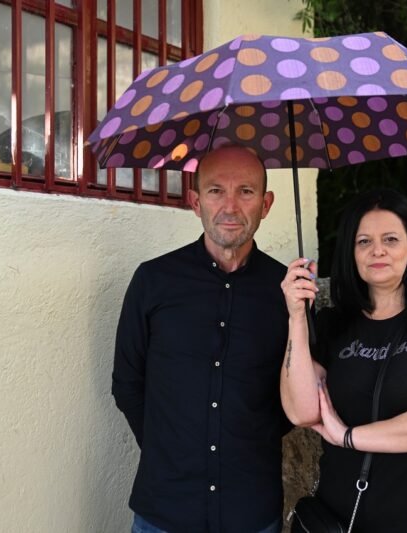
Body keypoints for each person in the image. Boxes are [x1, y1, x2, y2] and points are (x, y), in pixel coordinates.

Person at [113, 145, 290, 533]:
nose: (230, 206)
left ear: (266, 204)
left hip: (252, 511)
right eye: (215, 191)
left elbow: (297, 397)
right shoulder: (153, 281)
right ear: (195, 202)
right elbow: (127, 384)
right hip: (164, 509)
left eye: (246, 191)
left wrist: (247, 437)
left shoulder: (288, 292)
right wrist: (168, 448)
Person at [280, 188, 407, 532]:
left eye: (390, 239)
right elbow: (301, 411)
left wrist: (349, 436)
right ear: (352, 251)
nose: (378, 250)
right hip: (340, 520)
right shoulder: (334, 326)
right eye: (364, 242)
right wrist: (297, 318)